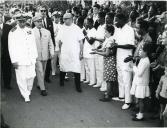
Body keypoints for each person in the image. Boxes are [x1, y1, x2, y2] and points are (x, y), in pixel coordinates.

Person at [8, 13, 38, 102]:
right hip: (19, 59)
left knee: (31, 76)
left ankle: (28, 90)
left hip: (30, 58)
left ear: (26, 21)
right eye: (20, 21)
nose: (22, 23)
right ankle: (25, 95)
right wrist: (14, 60)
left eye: (23, 21)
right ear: (17, 21)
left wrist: (35, 56)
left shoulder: (30, 30)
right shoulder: (13, 32)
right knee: (21, 78)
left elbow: (33, 44)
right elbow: (11, 47)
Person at [112, 13, 135, 110]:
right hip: (119, 57)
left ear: (122, 20)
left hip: (126, 58)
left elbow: (131, 45)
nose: (115, 22)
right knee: (120, 77)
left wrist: (117, 46)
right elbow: (116, 42)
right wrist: (114, 44)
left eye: (116, 20)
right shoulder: (118, 29)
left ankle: (128, 101)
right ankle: (121, 97)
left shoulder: (129, 30)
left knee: (126, 80)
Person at [56, 13, 84, 92]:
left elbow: (81, 41)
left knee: (76, 69)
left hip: (75, 52)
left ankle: (78, 86)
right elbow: (59, 41)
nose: (64, 20)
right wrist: (60, 51)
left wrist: (81, 52)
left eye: (66, 19)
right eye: (63, 18)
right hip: (65, 52)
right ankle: (61, 82)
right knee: (63, 67)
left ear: (71, 19)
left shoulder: (77, 28)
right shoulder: (62, 28)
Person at [90, 24, 117, 102]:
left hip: (109, 61)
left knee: (109, 79)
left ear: (110, 32)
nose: (105, 33)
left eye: (106, 32)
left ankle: (108, 95)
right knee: (109, 78)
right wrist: (97, 50)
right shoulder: (108, 39)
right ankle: (109, 93)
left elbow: (107, 53)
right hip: (108, 61)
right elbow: (104, 50)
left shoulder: (110, 40)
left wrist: (96, 53)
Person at [32, 14, 54, 96]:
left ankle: (39, 83)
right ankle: (43, 89)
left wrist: (52, 53)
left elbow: (50, 43)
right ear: (34, 22)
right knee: (40, 71)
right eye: (37, 21)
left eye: (40, 21)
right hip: (36, 56)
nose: (39, 23)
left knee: (43, 71)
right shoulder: (31, 32)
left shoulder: (47, 32)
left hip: (45, 55)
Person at [131, 43, 151, 121]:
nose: (139, 52)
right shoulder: (143, 59)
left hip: (142, 83)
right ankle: (139, 112)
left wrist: (133, 66)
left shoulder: (145, 61)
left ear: (146, 52)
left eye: (141, 50)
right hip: (140, 82)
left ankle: (140, 115)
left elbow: (139, 73)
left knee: (141, 100)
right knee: (139, 99)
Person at [39, 5, 55, 83]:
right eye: (41, 11)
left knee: (48, 62)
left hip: (48, 44)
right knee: (40, 62)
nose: (43, 12)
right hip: (39, 45)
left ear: (46, 12)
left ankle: (47, 77)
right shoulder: (36, 20)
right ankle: (40, 78)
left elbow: (51, 34)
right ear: (39, 12)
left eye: (44, 11)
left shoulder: (49, 20)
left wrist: (53, 45)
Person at [82, 17, 96, 86]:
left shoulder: (94, 31)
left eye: (87, 23)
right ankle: (88, 79)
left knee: (91, 68)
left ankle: (92, 81)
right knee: (86, 67)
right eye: (85, 23)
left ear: (91, 23)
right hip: (86, 52)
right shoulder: (88, 30)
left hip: (91, 52)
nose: (86, 24)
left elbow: (91, 42)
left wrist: (85, 34)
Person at [0, 12, 13, 90]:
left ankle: (7, 84)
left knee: (7, 69)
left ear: (2, 17)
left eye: (0, 16)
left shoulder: (9, 27)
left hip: (6, 53)